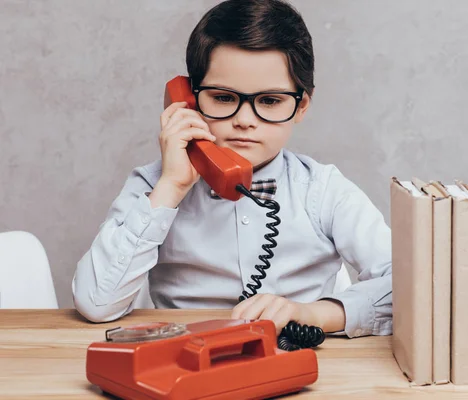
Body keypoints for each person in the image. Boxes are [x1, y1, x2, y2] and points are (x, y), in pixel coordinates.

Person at [72, 0, 392, 339]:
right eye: (224, 98)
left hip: (300, 362)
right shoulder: (153, 186)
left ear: (301, 107)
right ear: (188, 101)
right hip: (187, 360)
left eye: (269, 101)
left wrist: (311, 313)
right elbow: (96, 303)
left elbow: (410, 286)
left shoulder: (324, 190)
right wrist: (171, 188)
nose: (244, 121)